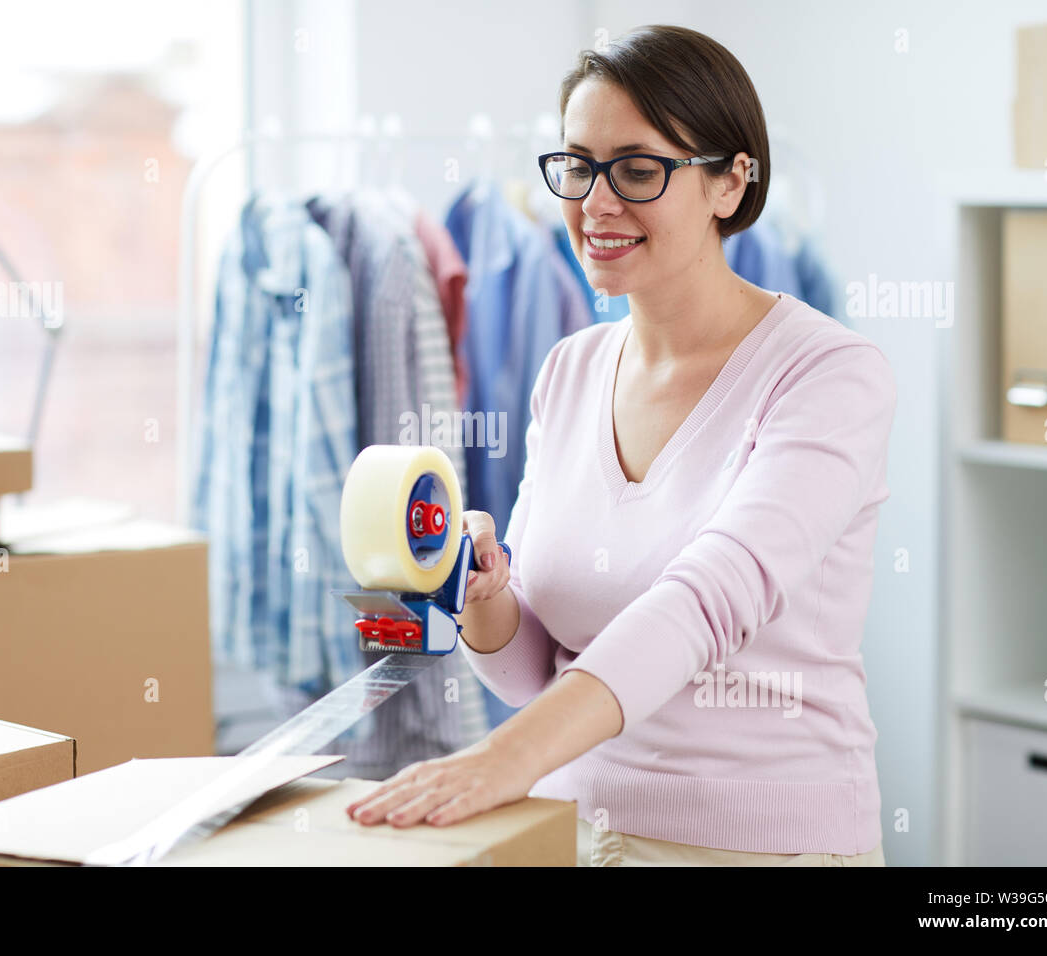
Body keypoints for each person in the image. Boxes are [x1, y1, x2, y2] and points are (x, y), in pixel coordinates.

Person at [345, 24, 894, 867]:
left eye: (638, 170)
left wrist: (507, 757)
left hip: (762, 848)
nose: (595, 204)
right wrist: (488, 598)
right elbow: (540, 669)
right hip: (571, 832)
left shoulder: (827, 375)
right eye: (576, 165)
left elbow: (708, 599)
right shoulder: (570, 369)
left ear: (729, 182)